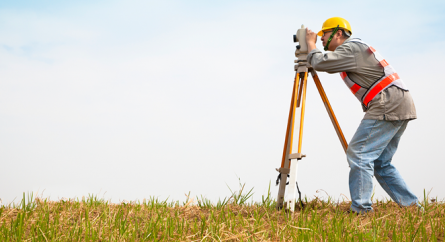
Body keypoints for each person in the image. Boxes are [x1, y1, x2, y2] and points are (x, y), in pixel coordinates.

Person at [305, 17, 418, 214]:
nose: (321, 38)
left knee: (359, 154)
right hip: (398, 102)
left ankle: (362, 210)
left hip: (387, 103)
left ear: (338, 33)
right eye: (319, 36)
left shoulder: (349, 48)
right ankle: (412, 207)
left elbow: (321, 63)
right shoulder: (355, 48)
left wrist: (310, 44)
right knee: (380, 163)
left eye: (324, 34)